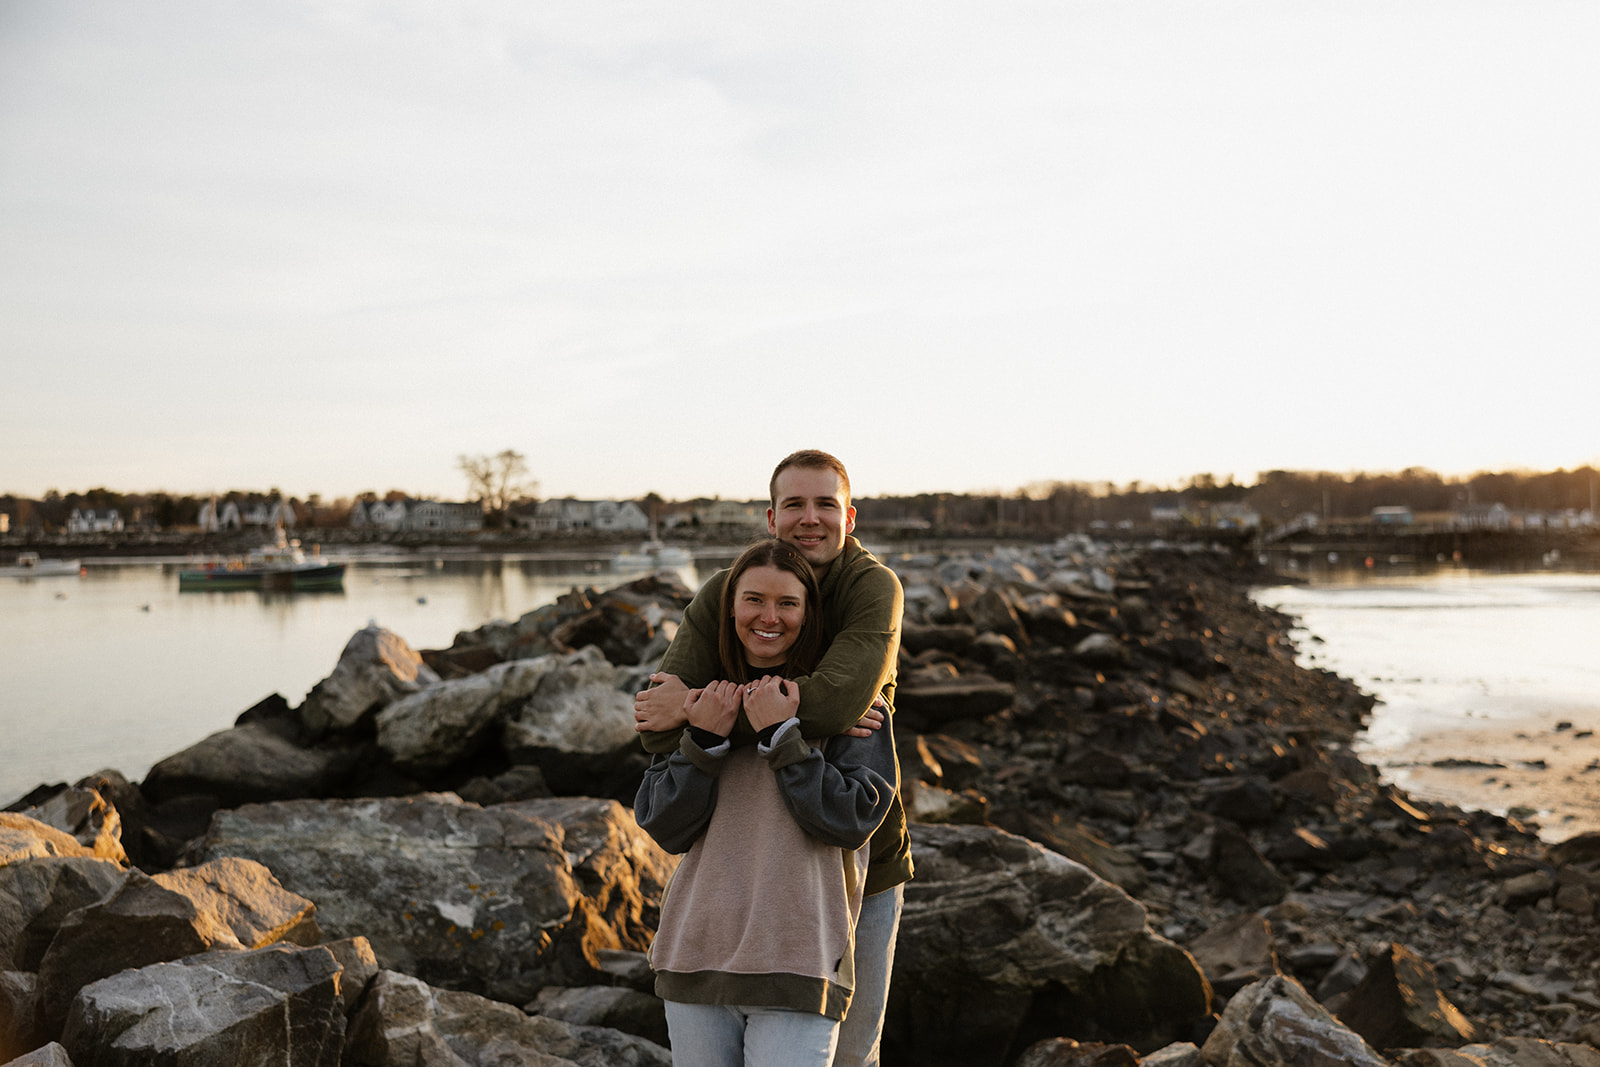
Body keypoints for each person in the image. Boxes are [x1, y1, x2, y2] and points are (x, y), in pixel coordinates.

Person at [634, 449, 910, 1067]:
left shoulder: (872, 587)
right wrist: (727, 715)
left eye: (825, 505)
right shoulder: (726, 588)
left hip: (856, 865)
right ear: (770, 516)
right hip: (731, 884)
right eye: (794, 505)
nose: (809, 519)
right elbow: (655, 725)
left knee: (852, 1056)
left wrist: (709, 712)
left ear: (850, 515)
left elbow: (840, 701)